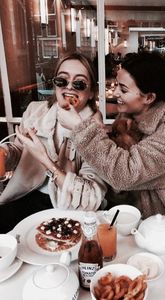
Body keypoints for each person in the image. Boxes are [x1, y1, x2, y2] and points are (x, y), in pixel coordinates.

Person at [59, 52, 165, 248]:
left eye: (123, 89)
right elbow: (117, 153)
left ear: (149, 97)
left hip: (160, 228)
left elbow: (125, 173)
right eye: (116, 85)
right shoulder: (131, 116)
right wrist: (101, 130)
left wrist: (81, 130)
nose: (115, 93)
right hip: (125, 218)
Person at [0, 52, 107, 233]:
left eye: (79, 83)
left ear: (90, 93)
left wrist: (46, 161)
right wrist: (5, 153)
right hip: (25, 193)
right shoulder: (35, 111)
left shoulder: (96, 132)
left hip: (65, 205)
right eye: (62, 81)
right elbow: (19, 149)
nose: (69, 88)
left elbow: (91, 197)